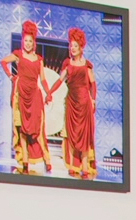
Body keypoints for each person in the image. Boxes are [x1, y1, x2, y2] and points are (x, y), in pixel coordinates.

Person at [0, 20, 52, 174]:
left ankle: (47, 160)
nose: (28, 43)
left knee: (38, 129)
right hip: (21, 94)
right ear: (22, 40)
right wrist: (11, 76)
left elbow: (43, 79)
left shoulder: (39, 59)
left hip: (34, 96)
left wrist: (49, 93)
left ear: (34, 42)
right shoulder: (18, 55)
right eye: (26, 40)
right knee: (22, 129)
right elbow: (3, 62)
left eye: (30, 41)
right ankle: (25, 161)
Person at [48, 27, 97, 180]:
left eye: (75, 45)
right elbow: (59, 81)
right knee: (70, 134)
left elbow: (93, 84)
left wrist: (93, 100)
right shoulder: (67, 64)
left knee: (84, 135)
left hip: (84, 104)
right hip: (71, 103)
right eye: (71, 45)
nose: (72, 48)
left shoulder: (87, 65)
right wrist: (49, 92)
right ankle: (72, 167)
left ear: (81, 47)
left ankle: (85, 167)